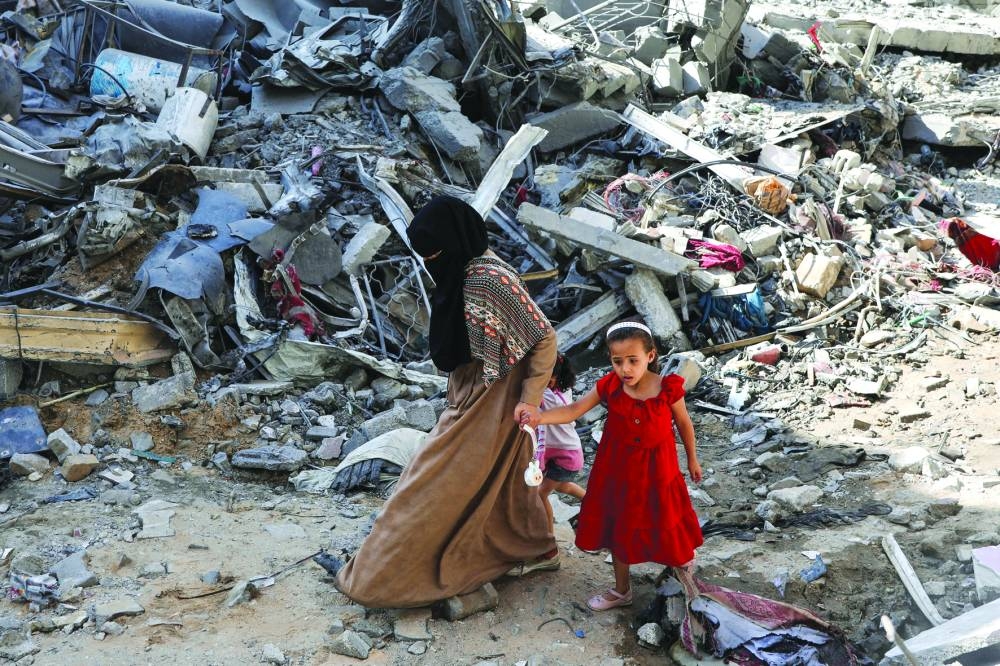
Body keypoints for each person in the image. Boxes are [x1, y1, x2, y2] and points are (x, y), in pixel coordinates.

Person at [333, 195, 559, 608]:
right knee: (501, 481)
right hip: (470, 393)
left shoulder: (489, 277)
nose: (431, 261)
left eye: (436, 253)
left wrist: (529, 401)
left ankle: (372, 580)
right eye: (426, 255)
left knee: (428, 485)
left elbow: (543, 337)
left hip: (494, 399)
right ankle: (537, 549)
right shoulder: (462, 271)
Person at [523, 320, 703, 611]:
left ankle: (678, 562)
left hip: (659, 471)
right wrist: (538, 418)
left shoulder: (667, 389)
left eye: (633, 361)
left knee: (665, 515)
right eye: (618, 362)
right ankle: (622, 591)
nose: (626, 369)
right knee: (620, 525)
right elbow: (573, 410)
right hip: (617, 472)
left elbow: (684, 423)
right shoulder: (610, 386)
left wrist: (693, 459)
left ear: (651, 356)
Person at [535, 354, 586, 534]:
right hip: (564, 450)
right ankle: (593, 502)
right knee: (562, 486)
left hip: (566, 455)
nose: (543, 381)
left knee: (541, 493)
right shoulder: (564, 390)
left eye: (547, 377)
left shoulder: (548, 396)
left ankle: (549, 538)